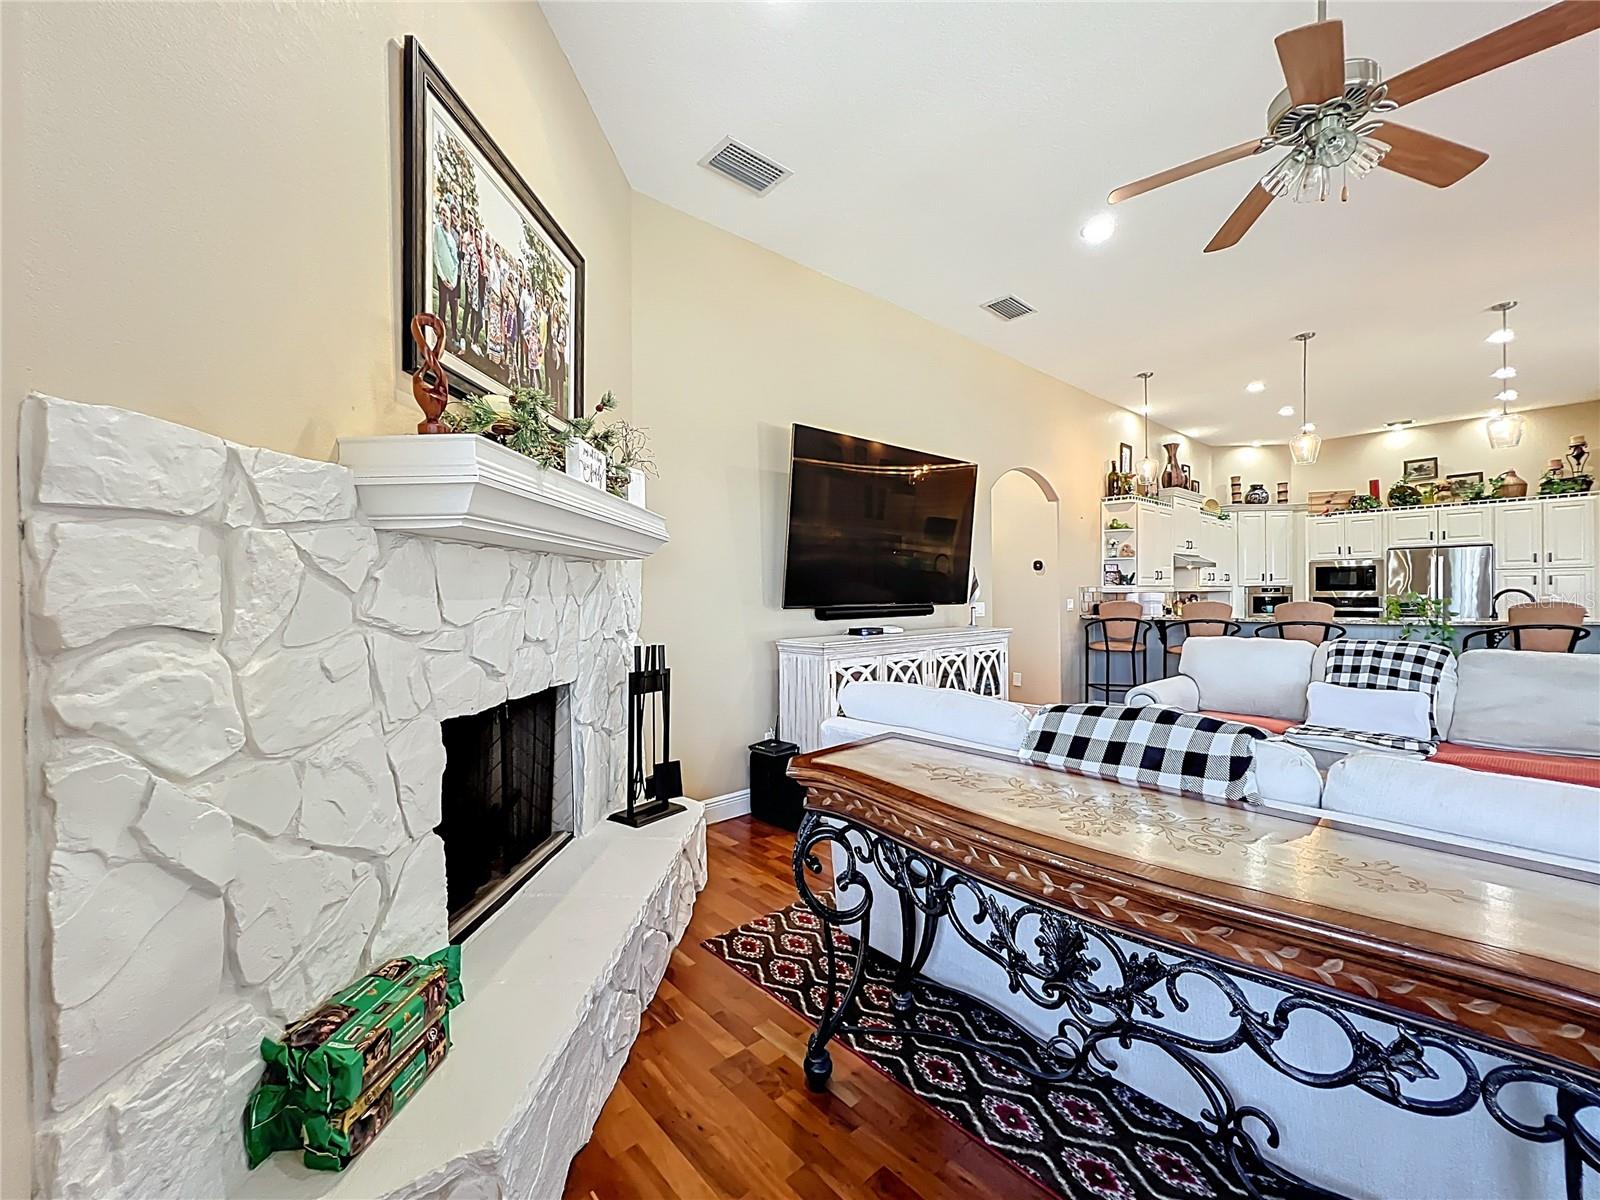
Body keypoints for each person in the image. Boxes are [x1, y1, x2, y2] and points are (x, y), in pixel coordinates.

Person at [432, 203, 460, 341]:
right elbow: (436, 253)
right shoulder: (437, 229)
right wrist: (442, 277)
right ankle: (439, 335)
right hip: (443, 277)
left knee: (453, 307)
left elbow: (456, 262)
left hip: (452, 280)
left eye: (446, 216)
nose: (444, 218)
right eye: (442, 215)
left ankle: (453, 335)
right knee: (442, 305)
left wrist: (453, 282)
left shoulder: (453, 239)